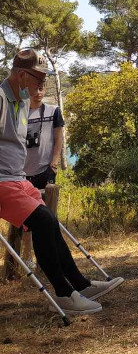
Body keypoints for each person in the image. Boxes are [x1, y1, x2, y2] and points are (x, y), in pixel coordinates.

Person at [0, 49, 124, 314]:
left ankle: (80, 284)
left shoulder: (21, 99)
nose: (42, 84)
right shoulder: (0, 99)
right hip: (2, 182)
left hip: (17, 178)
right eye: (39, 78)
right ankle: (64, 294)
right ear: (22, 75)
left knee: (50, 221)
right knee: (43, 222)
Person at [19, 80, 66, 269]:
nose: (38, 93)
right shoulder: (20, 112)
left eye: (41, 89)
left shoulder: (53, 111)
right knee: (26, 218)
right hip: (22, 172)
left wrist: (54, 164)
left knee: (48, 216)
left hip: (45, 170)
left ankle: (48, 258)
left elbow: (58, 138)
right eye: (34, 89)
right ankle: (27, 256)